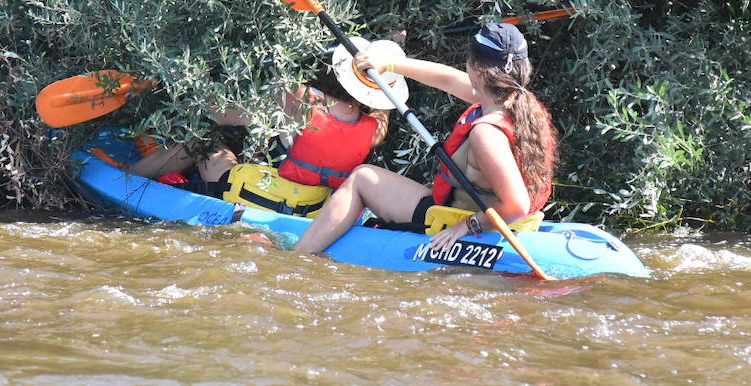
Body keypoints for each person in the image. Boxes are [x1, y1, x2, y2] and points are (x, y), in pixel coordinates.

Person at [292, 22, 559, 255]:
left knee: (361, 177)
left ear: (477, 72)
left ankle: (299, 256)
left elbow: (517, 205)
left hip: (453, 219)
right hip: (497, 218)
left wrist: (465, 227)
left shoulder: (487, 133)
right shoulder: (521, 105)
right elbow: (447, 79)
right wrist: (388, 64)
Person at [127, 44, 399, 202]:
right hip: (311, 208)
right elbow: (382, 112)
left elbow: (221, 115)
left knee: (203, 140)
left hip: (258, 199)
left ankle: (125, 178)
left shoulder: (299, 96)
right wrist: (390, 75)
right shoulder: (373, 129)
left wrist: (189, 95)